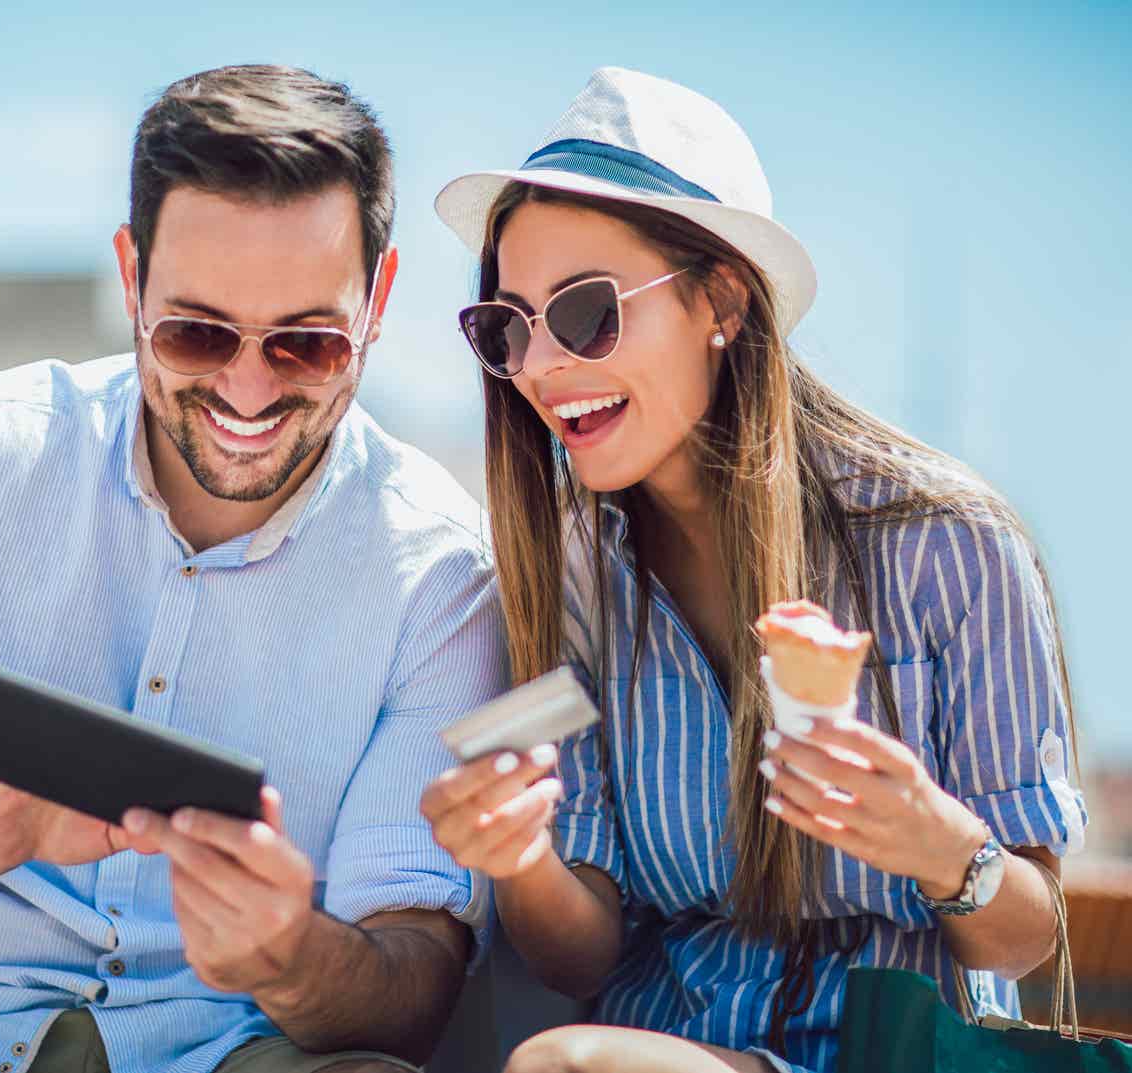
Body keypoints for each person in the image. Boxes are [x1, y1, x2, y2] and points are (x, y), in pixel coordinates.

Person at [0, 64, 506, 1073]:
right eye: (196, 331)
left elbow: (414, 981)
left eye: (308, 344)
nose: (248, 388)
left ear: (378, 300)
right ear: (130, 275)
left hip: (240, 1047)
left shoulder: (440, 568)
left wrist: (288, 954)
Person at [420, 67, 1087, 1073]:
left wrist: (938, 841)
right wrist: (521, 860)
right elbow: (579, 950)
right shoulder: (569, 571)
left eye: (586, 312)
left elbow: (1028, 935)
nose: (540, 367)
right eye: (507, 328)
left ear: (720, 301)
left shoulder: (951, 539)